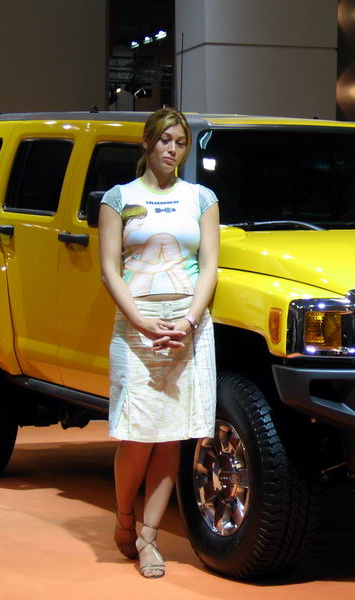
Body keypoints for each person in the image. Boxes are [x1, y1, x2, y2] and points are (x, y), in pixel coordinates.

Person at [98, 107, 220, 578]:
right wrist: (141, 322)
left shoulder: (202, 198)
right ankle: (124, 516)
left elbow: (209, 267)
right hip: (137, 326)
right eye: (166, 140)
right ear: (148, 143)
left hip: (187, 325)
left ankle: (148, 537)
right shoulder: (119, 199)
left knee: (171, 435)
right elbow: (110, 269)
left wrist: (188, 321)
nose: (173, 149)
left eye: (181, 142)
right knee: (135, 436)